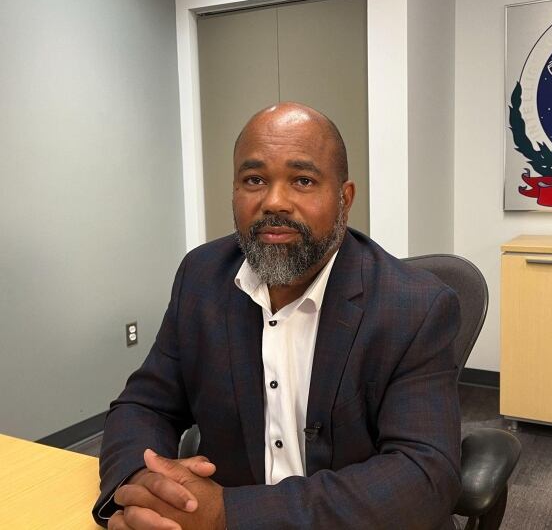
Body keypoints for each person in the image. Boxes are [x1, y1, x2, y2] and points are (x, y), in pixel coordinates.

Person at [93, 102, 462, 529]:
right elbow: (143, 405)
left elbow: (424, 475)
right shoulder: (201, 277)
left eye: (302, 180)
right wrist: (144, 486)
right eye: (254, 180)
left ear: (344, 198)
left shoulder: (415, 305)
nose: (274, 201)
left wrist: (229, 515)